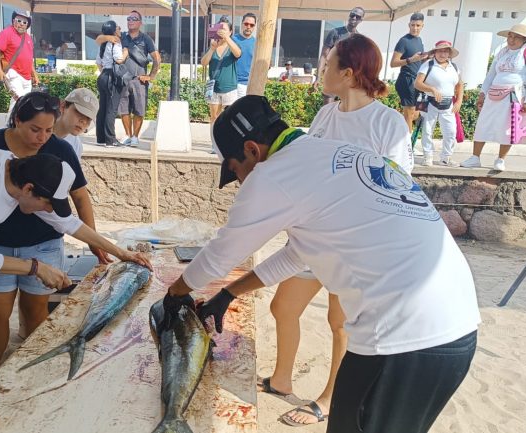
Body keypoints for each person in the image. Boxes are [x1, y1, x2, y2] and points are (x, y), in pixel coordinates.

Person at [161, 95, 480, 433]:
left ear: (253, 150)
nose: (240, 182)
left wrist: (174, 295)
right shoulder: (332, 154)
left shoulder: (272, 175)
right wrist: (228, 294)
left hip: (405, 337)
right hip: (454, 329)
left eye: (236, 171)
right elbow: (297, 255)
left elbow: (219, 255)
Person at [262, 34, 412, 427]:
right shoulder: (327, 113)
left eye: (328, 64)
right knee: (283, 306)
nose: (322, 71)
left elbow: (398, 185)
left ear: (347, 73)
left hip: (358, 244)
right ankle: (281, 379)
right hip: (315, 236)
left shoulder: (387, 122)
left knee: (340, 323)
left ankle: (329, 397)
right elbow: (310, 164)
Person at [0, 146, 151, 387]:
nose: (48, 210)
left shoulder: (14, 171)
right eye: (47, 204)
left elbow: (67, 222)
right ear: (29, 189)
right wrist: (35, 268)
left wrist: (120, 252)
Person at [0, 90, 118, 384]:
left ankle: (31, 368)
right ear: (17, 120)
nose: (42, 138)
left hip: (43, 243)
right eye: (35, 129)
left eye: (49, 130)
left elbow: (79, 197)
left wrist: (94, 242)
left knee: (35, 311)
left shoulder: (62, 149)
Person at [460, 24, 526, 172]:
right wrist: (482, 93)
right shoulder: (501, 53)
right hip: (494, 94)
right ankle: (475, 157)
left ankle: (500, 159)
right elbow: (491, 74)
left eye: (516, 37)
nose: (512, 39)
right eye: (510, 36)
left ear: (524, 39)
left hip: (513, 95)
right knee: (483, 124)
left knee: (507, 128)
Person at [96, 10, 160, 147]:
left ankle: (135, 137)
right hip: (122, 79)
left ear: (140, 22)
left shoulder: (146, 39)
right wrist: (108, 38)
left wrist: (151, 76)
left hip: (139, 80)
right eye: (129, 18)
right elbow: (99, 39)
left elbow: (156, 58)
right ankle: (128, 135)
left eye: (134, 18)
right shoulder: (121, 36)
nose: (130, 20)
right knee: (123, 109)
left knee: (139, 109)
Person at [415, 40, 464, 167]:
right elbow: (417, 83)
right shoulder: (428, 65)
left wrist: (459, 101)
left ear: (449, 53)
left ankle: (446, 157)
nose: (443, 54)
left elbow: (460, 84)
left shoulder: (454, 67)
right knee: (427, 130)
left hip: (448, 103)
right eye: (440, 51)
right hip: (430, 102)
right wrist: (432, 89)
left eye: (446, 51)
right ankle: (428, 156)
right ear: (435, 52)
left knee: (450, 131)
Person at [200, 17, 241, 154]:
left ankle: (228, 144)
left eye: (224, 29)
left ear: (230, 31)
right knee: (214, 117)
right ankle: (215, 144)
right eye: (219, 28)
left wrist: (227, 40)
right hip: (214, 88)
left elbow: (238, 53)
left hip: (229, 88)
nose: (221, 31)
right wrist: (212, 49)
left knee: (230, 118)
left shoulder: (231, 45)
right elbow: (204, 62)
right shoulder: (213, 45)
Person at [0, 10, 39, 112]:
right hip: (13, 73)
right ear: (14, 21)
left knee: (22, 103)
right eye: (19, 21)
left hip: (26, 77)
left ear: (27, 25)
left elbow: (29, 58)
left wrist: (34, 74)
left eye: (24, 22)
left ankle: (13, 125)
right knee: (20, 100)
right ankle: (11, 125)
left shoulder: (28, 37)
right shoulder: (6, 33)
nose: (21, 24)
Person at [316, 6, 364, 104]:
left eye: (357, 17)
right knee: (327, 110)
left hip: (348, 80)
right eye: (352, 15)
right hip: (332, 75)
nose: (354, 18)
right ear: (349, 15)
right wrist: (318, 77)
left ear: (361, 20)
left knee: (346, 112)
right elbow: (324, 56)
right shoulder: (335, 32)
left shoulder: (359, 38)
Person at [390, 12, 428, 131]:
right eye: (412, 25)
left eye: (417, 25)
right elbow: (393, 63)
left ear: (422, 26)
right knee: (409, 114)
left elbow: (418, 62)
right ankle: (407, 146)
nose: (415, 28)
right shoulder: (404, 41)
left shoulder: (419, 40)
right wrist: (411, 59)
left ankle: (396, 131)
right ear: (409, 25)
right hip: (406, 80)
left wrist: (426, 59)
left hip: (417, 82)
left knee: (416, 114)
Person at [94, 21, 127, 147]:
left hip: (103, 76)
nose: (120, 29)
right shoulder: (116, 42)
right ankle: (110, 140)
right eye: (118, 27)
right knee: (111, 109)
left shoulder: (102, 44)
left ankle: (101, 138)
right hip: (111, 78)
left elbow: (98, 62)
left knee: (102, 108)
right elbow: (119, 59)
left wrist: (105, 72)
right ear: (114, 31)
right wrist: (125, 52)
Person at [54, 87, 98, 159]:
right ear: (63, 106)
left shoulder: (76, 145)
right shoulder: (39, 134)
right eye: (79, 112)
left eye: (89, 118)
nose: (84, 121)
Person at [232, 12, 256, 98]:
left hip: (250, 85)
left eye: (251, 25)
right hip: (232, 84)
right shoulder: (232, 40)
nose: (248, 27)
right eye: (246, 24)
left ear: (254, 26)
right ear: (242, 24)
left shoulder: (257, 44)